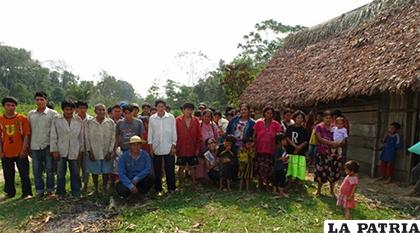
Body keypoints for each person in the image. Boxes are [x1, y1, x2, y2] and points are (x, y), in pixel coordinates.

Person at [0, 96, 32, 200]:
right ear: (4, 106)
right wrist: (0, 151)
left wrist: (24, 149)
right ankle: (9, 192)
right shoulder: (0, 119)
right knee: (8, 174)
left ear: (16, 106)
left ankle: (27, 193)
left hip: (20, 151)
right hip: (6, 151)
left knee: (24, 174)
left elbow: (26, 135)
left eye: (13, 105)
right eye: (8, 105)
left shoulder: (22, 118)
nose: (10, 107)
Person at [28, 91, 59, 197]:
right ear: (35, 101)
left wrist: (54, 147)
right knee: (37, 171)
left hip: (48, 146)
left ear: (46, 100)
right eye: (37, 99)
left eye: (42, 99)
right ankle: (39, 190)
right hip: (35, 146)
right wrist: (28, 147)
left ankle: (50, 190)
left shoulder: (53, 114)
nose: (39, 101)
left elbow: (56, 131)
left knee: (50, 170)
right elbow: (29, 131)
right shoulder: (31, 114)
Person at [50, 100, 83, 198]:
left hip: (75, 149)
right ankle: (60, 192)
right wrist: (54, 150)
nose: (69, 112)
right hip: (61, 150)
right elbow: (53, 135)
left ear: (74, 109)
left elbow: (81, 136)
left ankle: (76, 191)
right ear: (63, 109)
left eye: (71, 109)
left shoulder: (78, 120)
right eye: (66, 109)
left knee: (76, 172)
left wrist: (81, 150)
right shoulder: (56, 119)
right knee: (60, 173)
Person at [85, 104, 116, 194]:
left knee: (106, 171)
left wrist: (110, 151)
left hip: (106, 150)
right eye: (99, 110)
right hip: (94, 151)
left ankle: (105, 189)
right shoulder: (90, 122)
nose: (101, 112)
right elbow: (87, 138)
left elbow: (113, 138)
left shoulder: (110, 122)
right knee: (94, 171)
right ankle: (96, 189)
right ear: (95, 111)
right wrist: (89, 151)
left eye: (103, 110)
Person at [148, 100, 177, 194]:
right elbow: (150, 133)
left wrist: (173, 145)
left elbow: (174, 131)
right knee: (157, 170)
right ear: (156, 107)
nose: (161, 108)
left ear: (165, 107)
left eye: (162, 106)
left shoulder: (171, 117)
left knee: (170, 169)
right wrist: (150, 146)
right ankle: (158, 189)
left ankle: (171, 188)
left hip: (168, 146)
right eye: (159, 106)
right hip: (156, 147)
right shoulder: (152, 118)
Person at [314, 110, 343, 197]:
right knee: (320, 171)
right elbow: (320, 139)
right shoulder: (319, 127)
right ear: (323, 118)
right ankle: (318, 191)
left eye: (330, 118)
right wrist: (331, 143)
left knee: (333, 172)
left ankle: (332, 191)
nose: (328, 120)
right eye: (326, 118)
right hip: (322, 152)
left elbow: (342, 137)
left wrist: (339, 143)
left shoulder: (335, 127)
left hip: (334, 153)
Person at [253, 106, 283, 191]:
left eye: (271, 113)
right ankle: (259, 185)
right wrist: (254, 146)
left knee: (269, 169)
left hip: (271, 150)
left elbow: (279, 137)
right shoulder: (258, 123)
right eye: (267, 113)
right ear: (264, 114)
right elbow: (254, 135)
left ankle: (267, 185)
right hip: (259, 149)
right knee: (259, 168)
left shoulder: (276, 124)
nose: (269, 115)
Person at [226, 103, 255, 181]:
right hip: (233, 144)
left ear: (249, 111)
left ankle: (242, 180)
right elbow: (228, 131)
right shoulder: (234, 120)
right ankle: (233, 179)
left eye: (245, 109)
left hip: (244, 146)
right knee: (233, 162)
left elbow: (253, 135)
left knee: (243, 163)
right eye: (242, 109)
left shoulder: (252, 123)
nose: (243, 111)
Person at [176, 103, 202, 190]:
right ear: (183, 110)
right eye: (187, 109)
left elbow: (199, 135)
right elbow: (174, 134)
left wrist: (198, 148)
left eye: (191, 109)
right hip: (181, 147)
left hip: (192, 147)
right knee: (181, 167)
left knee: (193, 167)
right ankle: (180, 185)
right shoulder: (177, 120)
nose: (189, 111)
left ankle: (193, 184)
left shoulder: (196, 120)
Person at [285, 110, 309, 191]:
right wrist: (295, 146)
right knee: (290, 168)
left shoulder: (304, 130)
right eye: (298, 118)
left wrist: (299, 147)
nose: (299, 119)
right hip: (290, 151)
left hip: (301, 152)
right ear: (295, 118)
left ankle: (297, 186)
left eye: (301, 118)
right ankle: (288, 184)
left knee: (299, 168)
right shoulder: (290, 128)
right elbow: (287, 138)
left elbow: (306, 140)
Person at [75, 101, 93, 193]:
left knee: (86, 168)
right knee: (76, 168)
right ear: (77, 108)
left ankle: (85, 186)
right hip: (76, 148)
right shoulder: (73, 119)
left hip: (87, 147)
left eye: (84, 108)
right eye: (80, 108)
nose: (82, 110)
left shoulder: (90, 119)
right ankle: (77, 187)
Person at [198, 109, 219, 180]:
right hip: (201, 148)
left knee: (210, 162)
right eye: (205, 116)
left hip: (211, 149)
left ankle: (209, 178)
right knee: (201, 163)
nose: (207, 118)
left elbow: (217, 136)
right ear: (202, 116)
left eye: (209, 116)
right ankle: (200, 178)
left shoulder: (213, 125)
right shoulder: (199, 124)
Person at [273, 133, 289, 197]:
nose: (285, 141)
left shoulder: (282, 148)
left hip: (280, 166)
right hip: (279, 167)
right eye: (284, 140)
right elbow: (276, 158)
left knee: (276, 179)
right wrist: (283, 158)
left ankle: (274, 191)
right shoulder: (279, 148)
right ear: (279, 141)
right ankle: (281, 192)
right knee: (281, 179)